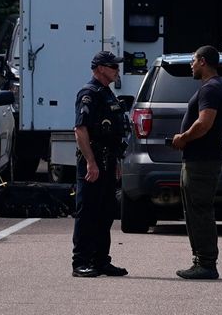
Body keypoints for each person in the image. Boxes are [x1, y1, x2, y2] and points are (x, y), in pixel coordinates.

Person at [171, 45, 222, 280]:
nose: (191, 64)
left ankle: (206, 263)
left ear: (203, 61)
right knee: (194, 211)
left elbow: (204, 123)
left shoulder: (211, 89)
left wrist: (183, 138)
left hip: (203, 161)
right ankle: (200, 261)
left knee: (200, 211)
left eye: (193, 60)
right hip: (197, 160)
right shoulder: (209, 88)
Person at [72, 50, 130, 277]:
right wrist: (90, 162)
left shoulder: (107, 94)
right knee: (87, 212)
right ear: (100, 69)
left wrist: (115, 161)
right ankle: (81, 262)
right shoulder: (89, 94)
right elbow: (80, 129)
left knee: (105, 212)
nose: (117, 70)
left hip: (108, 160)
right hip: (93, 161)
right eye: (113, 66)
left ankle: (100, 260)